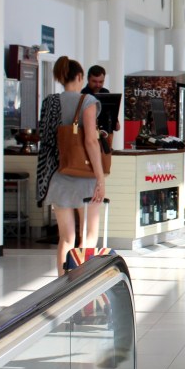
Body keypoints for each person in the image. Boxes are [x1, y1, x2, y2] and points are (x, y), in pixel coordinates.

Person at [36, 56, 107, 276]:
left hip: (57, 175)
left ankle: (62, 283)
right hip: (84, 177)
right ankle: (82, 283)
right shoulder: (86, 101)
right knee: (88, 235)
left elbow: (46, 137)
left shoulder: (49, 102)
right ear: (79, 77)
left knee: (66, 238)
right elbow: (90, 141)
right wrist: (100, 177)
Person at [81, 64, 121, 133]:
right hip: (88, 132)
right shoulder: (82, 94)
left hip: (105, 133)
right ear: (88, 79)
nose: (98, 85)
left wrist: (116, 122)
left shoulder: (106, 92)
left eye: (101, 82)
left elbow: (111, 111)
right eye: (94, 81)